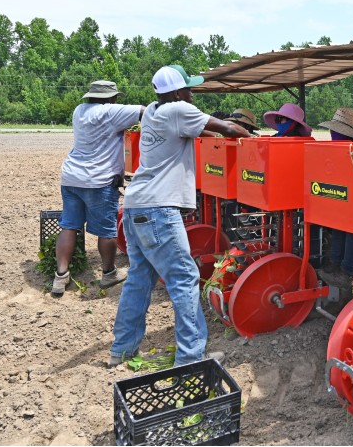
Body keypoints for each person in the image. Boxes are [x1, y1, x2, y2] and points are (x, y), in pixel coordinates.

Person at [110, 65, 251, 368]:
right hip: (159, 208)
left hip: (136, 205)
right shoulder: (178, 109)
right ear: (176, 93)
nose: (191, 94)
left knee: (138, 279)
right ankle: (191, 358)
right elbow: (228, 128)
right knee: (185, 279)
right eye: (188, 89)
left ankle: (121, 350)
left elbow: (199, 129)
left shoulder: (152, 111)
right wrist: (250, 137)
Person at [52, 81, 145, 298]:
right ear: (111, 98)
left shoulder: (79, 110)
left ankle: (60, 276)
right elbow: (144, 111)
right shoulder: (111, 111)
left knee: (69, 226)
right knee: (107, 230)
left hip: (71, 177)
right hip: (98, 180)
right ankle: (109, 273)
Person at [317, 108, 353, 288]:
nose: (333, 133)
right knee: (339, 225)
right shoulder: (336, 149)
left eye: (336, 130)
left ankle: (346, 272)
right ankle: (334, 264)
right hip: (342, 196)